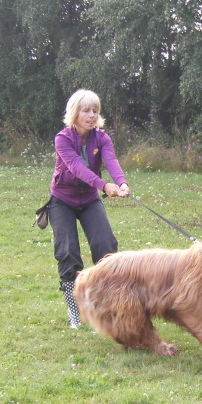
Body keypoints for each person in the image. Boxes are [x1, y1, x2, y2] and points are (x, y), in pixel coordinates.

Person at [47, 89, 130, 329]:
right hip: (62, 201)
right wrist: (104, 185)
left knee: (107, 247)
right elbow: (75, 168)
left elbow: (111, 161)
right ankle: (75, 310)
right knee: (67, 253)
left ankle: (108, 305)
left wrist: (121, 182)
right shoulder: (62, 138)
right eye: (86, 110)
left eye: (95, 110)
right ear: (75, 112)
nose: (91, 115)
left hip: (90, 200)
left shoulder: (102, 138)